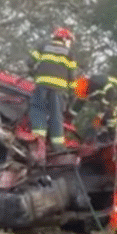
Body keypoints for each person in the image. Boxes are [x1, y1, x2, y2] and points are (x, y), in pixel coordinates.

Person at [26, 27, 78, 160]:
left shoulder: (43, 46)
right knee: (56, 115)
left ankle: (38, 139)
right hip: (59, 89)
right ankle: (58, 146)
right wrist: (72, 93)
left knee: (38, 109)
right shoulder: (69, 53)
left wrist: (33, 71)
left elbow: (30, 62)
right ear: (66, 39)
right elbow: (72, 75)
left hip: (42, 85)